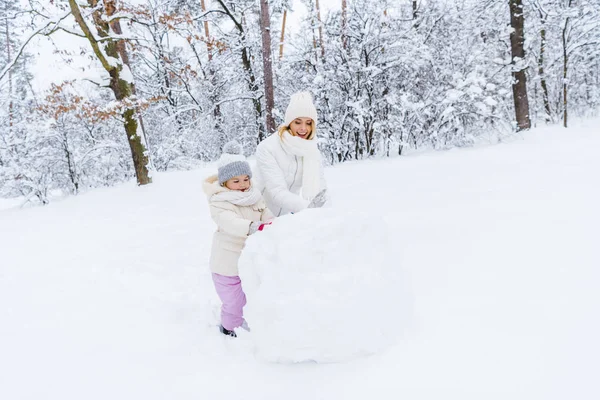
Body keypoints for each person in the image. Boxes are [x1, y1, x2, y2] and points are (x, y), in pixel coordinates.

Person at [202, 141, 273, 337]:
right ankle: (229, 329)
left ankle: (252, 324)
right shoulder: (219, 202)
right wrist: (252, 227)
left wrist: (275, 225)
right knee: (234, 302)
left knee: (252, 296)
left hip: (249, 260)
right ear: (225, 183)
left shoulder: (255, 197)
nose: (242, 185)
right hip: (227, 265)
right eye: (236, 181)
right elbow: (229, 222)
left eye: (245, 179)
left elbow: (266, 214)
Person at [255, 91, 328, 217]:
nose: (303, 128)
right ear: (289, 123)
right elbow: (277, 192)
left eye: (308, 123)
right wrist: (308, 208)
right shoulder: (268, 148)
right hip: (257, 214)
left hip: (285, 217)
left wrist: (327, 213)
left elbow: (321, 188)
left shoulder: (311, 151)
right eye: (298, 122)